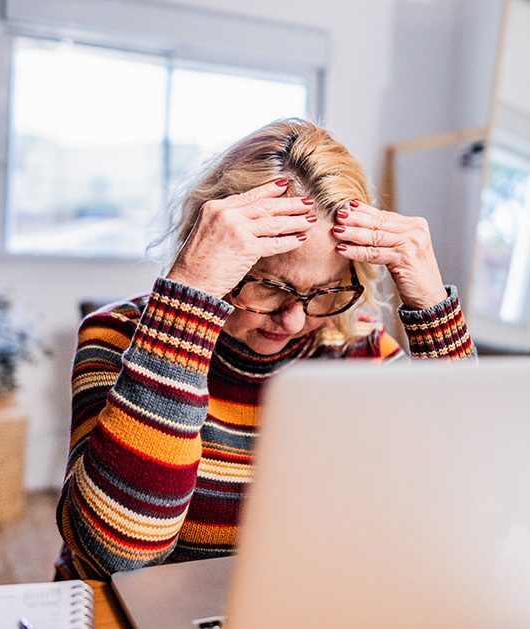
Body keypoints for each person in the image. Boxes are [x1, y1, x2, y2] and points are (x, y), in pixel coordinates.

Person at [56, 118, 475, 581]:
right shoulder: (117, 335)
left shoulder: (358, 347)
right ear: (215, 254)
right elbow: (116, 558)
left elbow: (467, 509)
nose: (294, 320)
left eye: (325, 290)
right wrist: (189, 293)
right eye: (270, 286)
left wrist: (436, 314)